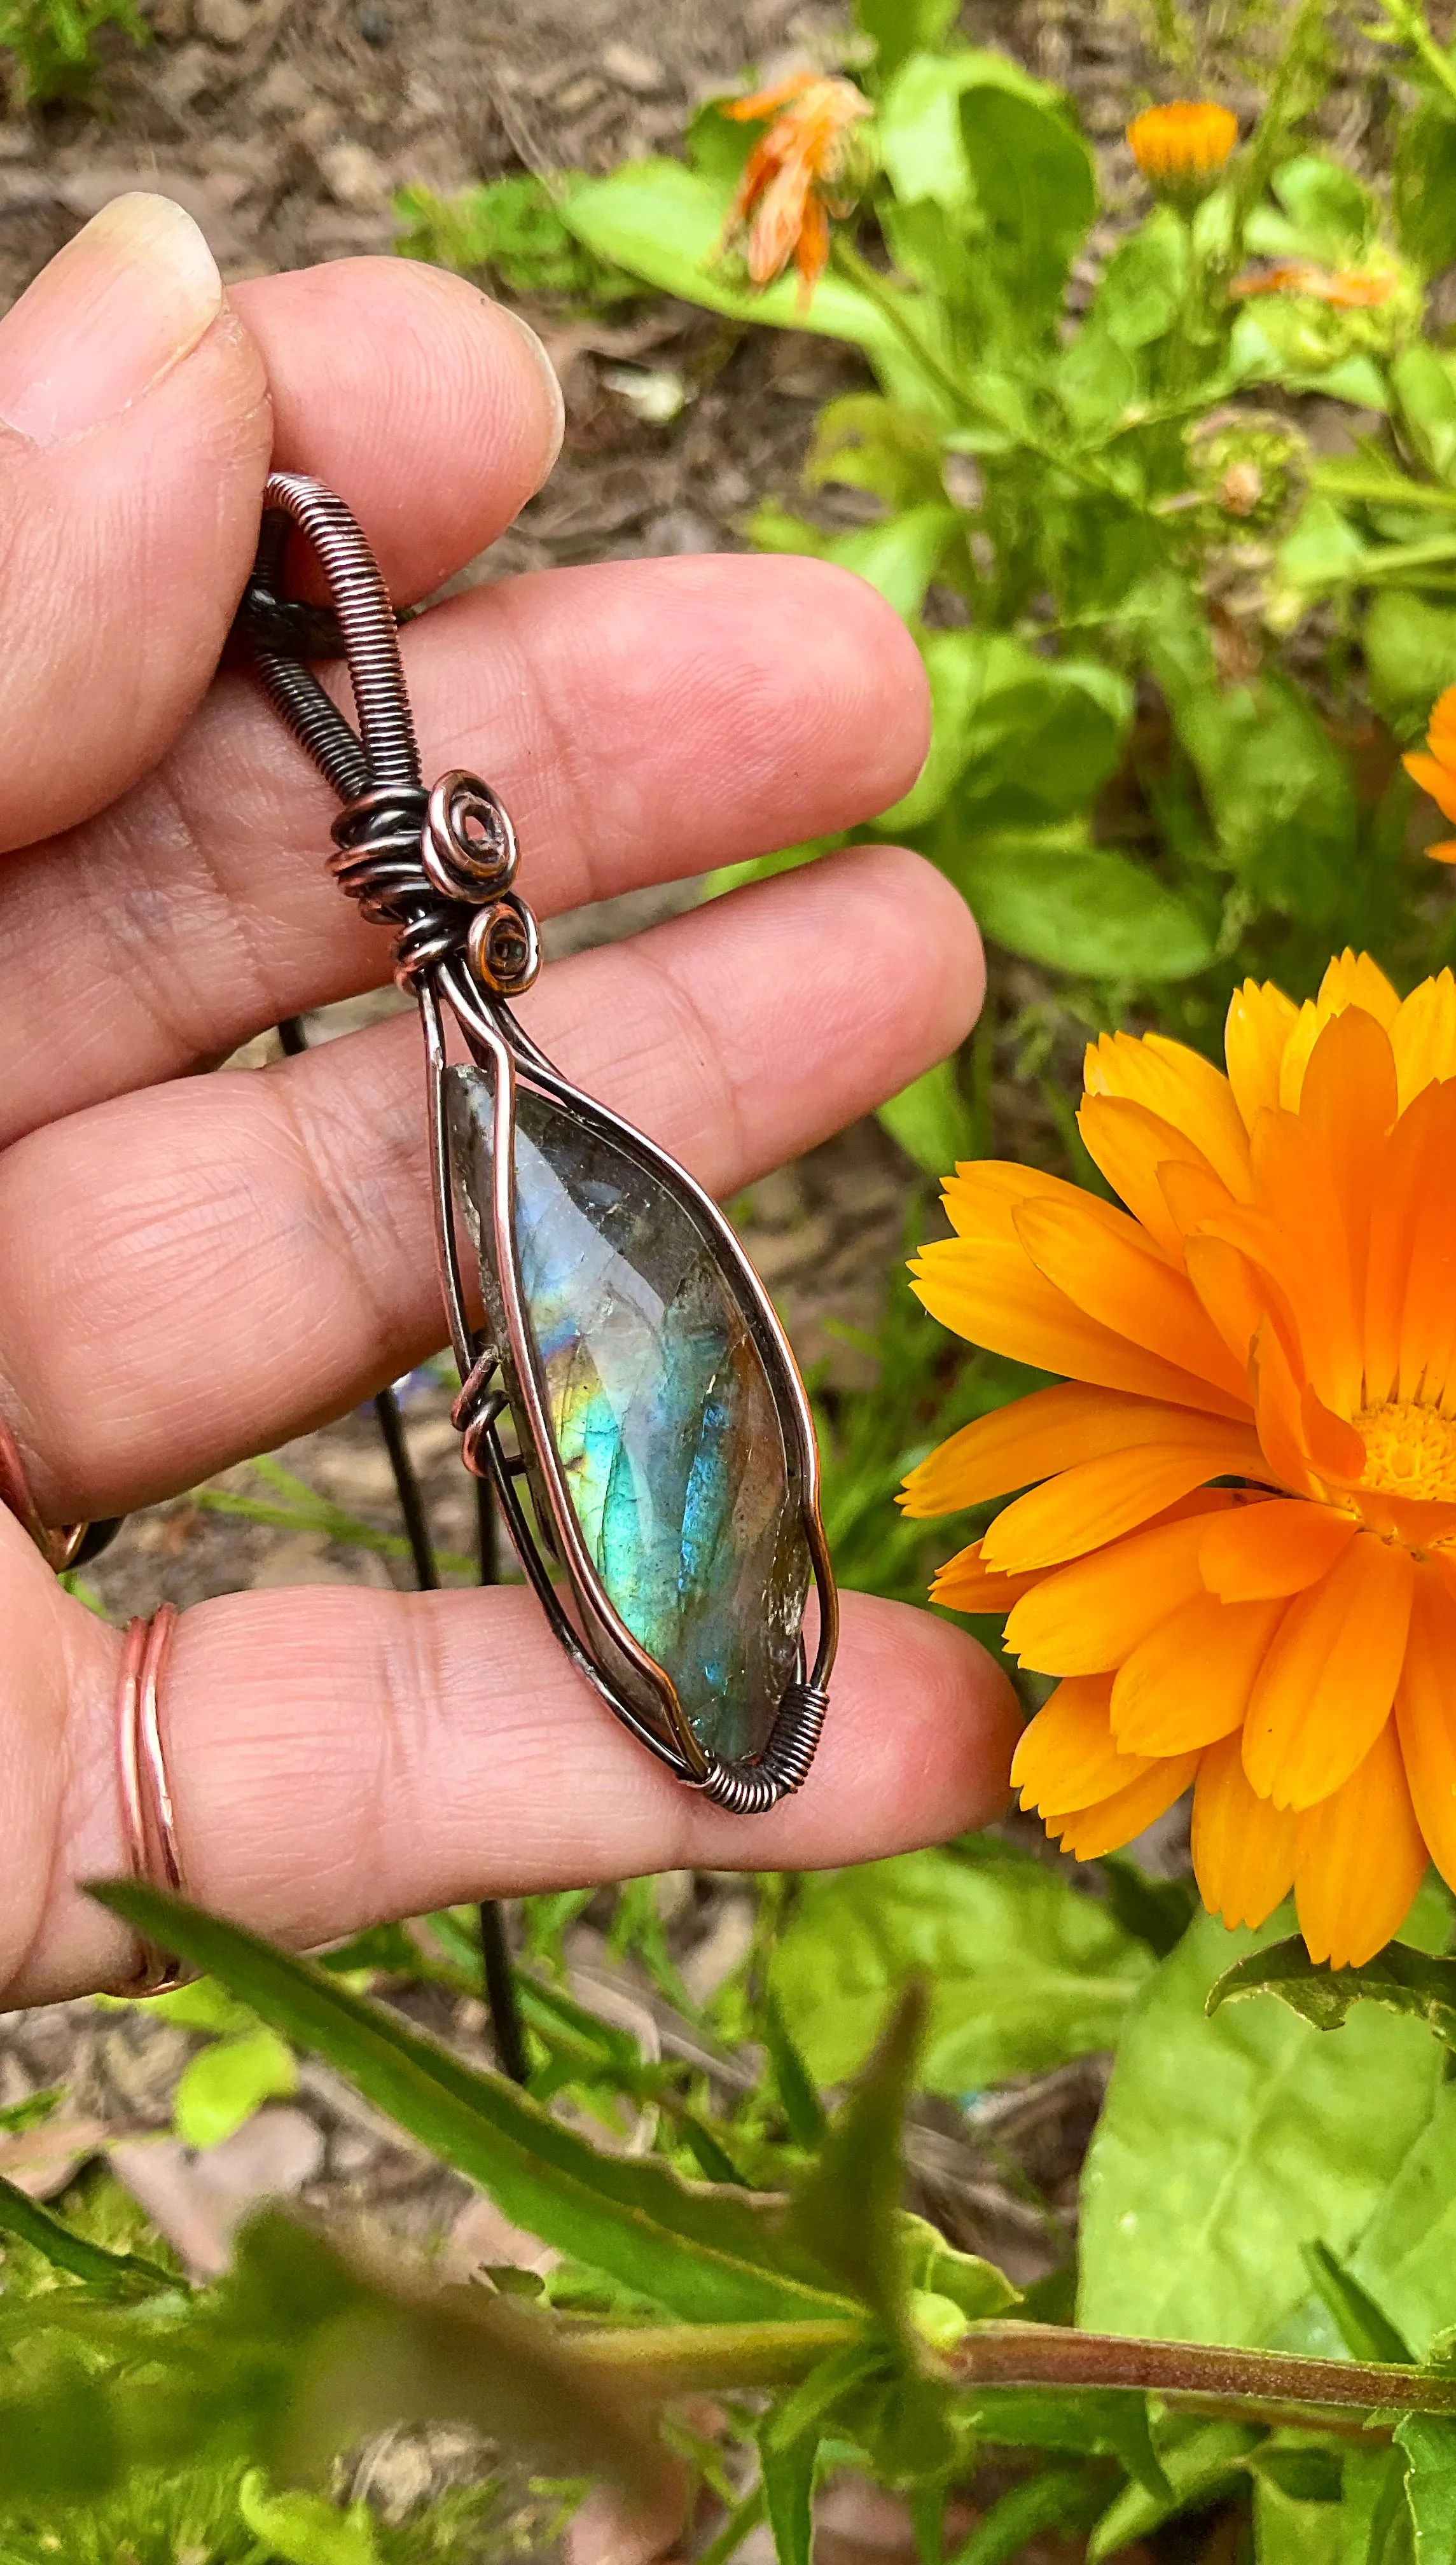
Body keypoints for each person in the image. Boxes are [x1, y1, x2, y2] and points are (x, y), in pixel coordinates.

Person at [0, 194, 1018, 2010]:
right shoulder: (509, 1114)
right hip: (491, 1067)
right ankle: (719, 1677)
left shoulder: (514, 1128)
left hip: (497, 1080)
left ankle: (723, 1675)